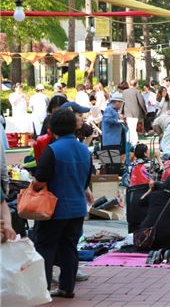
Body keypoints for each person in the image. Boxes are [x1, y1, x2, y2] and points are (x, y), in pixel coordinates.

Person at [31, 109, 94, 298]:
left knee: (45, 247)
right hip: (77, 208)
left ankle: (42, 290)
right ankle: (67, 288)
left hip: (53, 209)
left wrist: (33, 184)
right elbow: (86, 181)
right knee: (69, 247)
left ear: (52, 127)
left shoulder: (53, 150)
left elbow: (40, 180)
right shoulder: (84, 149)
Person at [138, 174, 170, 250]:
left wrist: (150, 189)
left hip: (146, 234)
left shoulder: (154, 194)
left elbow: (140, 202)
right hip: (166, 238)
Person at [122, 79, 147, 145]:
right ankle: (134, 142)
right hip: (136, 112)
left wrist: (121, 111)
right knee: (133, 128)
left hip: (127, 112)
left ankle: (131, 141)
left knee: (130, 128)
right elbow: (141, 102)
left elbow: (122, 102)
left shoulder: (124, 92)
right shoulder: (137, 92)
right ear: (136, 84)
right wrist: (144, 110)